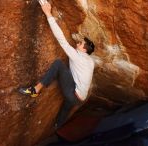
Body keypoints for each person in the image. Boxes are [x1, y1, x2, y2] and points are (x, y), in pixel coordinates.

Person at [19, 0, 95, 129]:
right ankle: (57, 126)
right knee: (66, 107)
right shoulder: (90, 61)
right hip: (80, 98)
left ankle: (35, 90)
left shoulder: (77, 56)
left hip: (73, 93)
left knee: (59, 64)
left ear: (84, 50)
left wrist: (48, 14)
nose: (77, 43)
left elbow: (61, 39)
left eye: (80, 43)